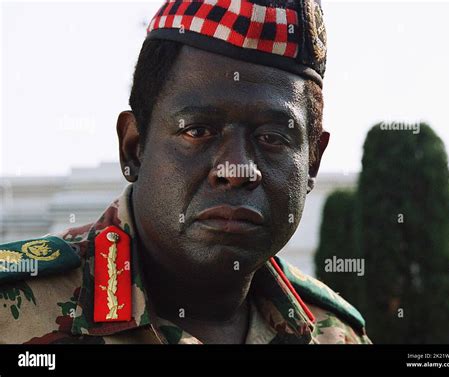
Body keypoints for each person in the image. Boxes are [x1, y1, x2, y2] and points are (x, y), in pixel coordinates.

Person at [0, 0, 371, 344]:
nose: (237, 169)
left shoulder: (335, 334)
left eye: (271, 137)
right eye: (198, 131)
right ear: (133, 147)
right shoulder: (12, 313)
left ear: (312, 163)